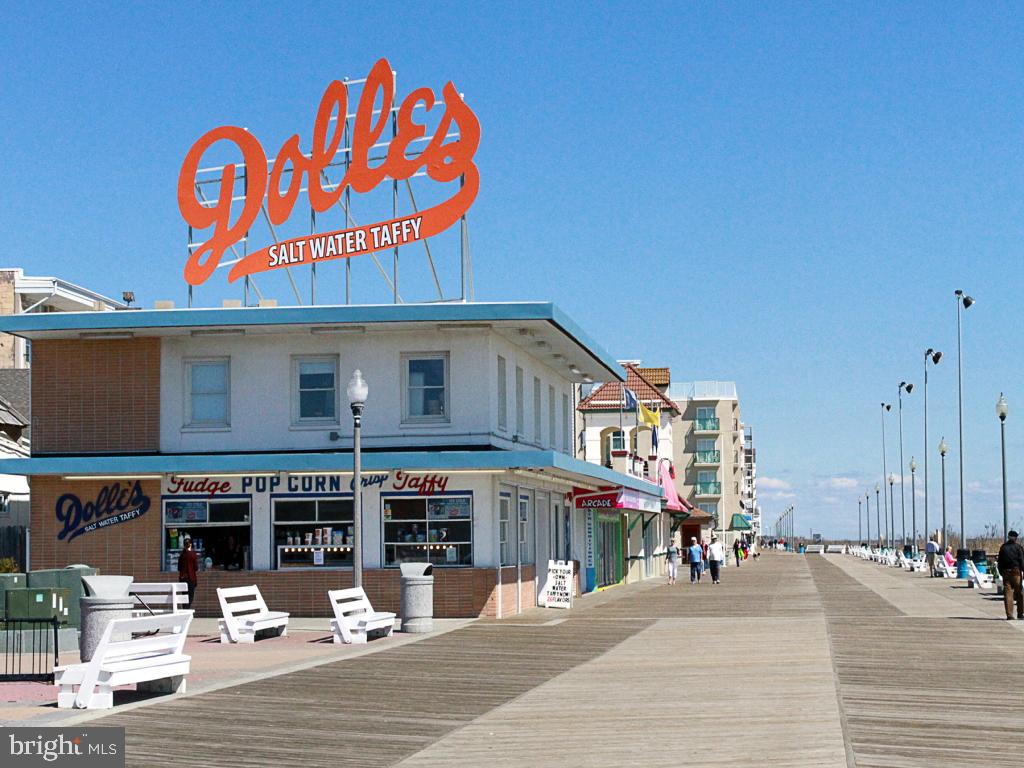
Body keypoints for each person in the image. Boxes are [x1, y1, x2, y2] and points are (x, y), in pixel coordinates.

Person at [997, 530, 1024, 621]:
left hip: (1005, 572)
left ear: (1008, 537)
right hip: (1016, 572)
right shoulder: (1018, 547)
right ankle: (1020, 613)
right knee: (1020, 593)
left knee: (1008, 594)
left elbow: (999, 561)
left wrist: (1001, 572)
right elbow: (1022, 561)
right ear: (1016, 538)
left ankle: (1009, 615)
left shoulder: (1003, 547)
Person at [178, 536, 199, 607]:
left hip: (183, 578)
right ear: (190, 544)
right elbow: (196, 568)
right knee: (190, 597)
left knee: (184, 596)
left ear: (184, 545)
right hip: (191, 578)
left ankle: (184, 610)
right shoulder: (193, 554)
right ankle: (186, 610)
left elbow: (179, 568)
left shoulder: (181, 555)